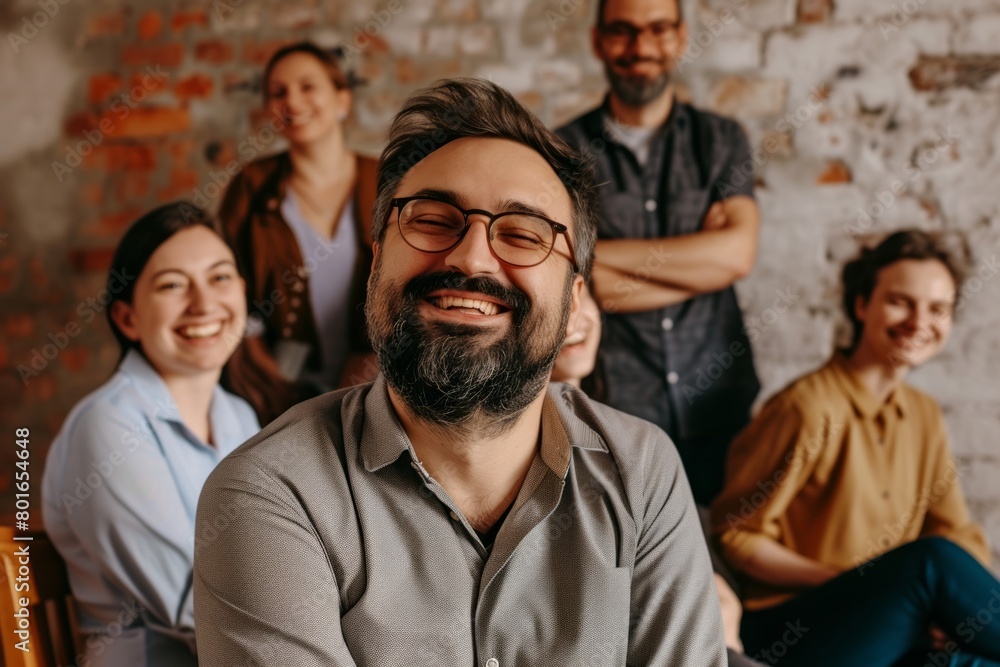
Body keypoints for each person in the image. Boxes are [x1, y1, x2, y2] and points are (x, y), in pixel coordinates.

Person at [194, 78, 727, 666]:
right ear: (376, 262)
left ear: (576, 301)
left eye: (523, 235)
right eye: (431, 220)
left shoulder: (641, 473)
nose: (470, 257)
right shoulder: (272, 491)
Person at [711, 230, 1000, 666]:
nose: (920, 321)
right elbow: (736, 534)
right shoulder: (805, 408)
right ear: (862, 304)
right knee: (931, 563)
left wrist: (957, 609)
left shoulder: (923, 413)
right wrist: (844, 580)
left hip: (888, 620)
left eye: (938, 309)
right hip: (793, 627)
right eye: (901, 301)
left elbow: (956, 530)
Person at [557, 0, 761, 506]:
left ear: (680, 37)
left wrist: (604, 254)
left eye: (657, 29)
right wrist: (699, 263)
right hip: (618, 407)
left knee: (725, 564)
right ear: (598, 41)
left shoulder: (720, 139)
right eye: (623, 32)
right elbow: (580, 281)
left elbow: (736, 255)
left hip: (719, 397)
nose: (641, 47)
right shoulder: (561, 150)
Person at [41, 203, 261, 666]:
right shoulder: (106, 426)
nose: (203, 304)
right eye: (172, 285)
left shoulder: (239, 416)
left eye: (220, 278)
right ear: (127, 319)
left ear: (242, 292)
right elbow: (198, 607)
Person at [550, 284, 763, 667]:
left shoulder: (637, 442)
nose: (575, 320)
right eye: (557, 303)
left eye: (584, 298)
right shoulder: (532, 448)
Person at [219, 41, 378, 425]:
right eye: (278, 92)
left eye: (308, 87)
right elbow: (225, 275)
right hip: (278, 392)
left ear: (342, 100)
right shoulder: (251, 186)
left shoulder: (387, 178)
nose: (292, 100)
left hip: (377, 387)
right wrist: (259, 364)